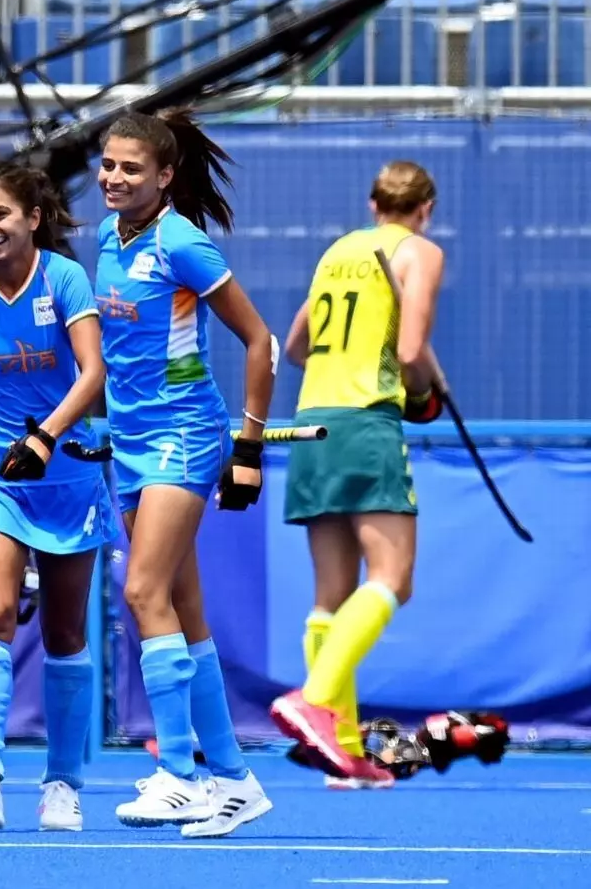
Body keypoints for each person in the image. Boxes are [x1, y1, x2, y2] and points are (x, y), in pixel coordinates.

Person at [94, 109, 277, 838]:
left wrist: (249, 449)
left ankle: (179, 773)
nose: (114, 178)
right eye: (108, 164)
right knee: (182, 608)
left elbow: (260, 340)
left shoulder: (182, 245)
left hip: (184, 434)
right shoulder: (106, 239)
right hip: (130, 440)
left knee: (142, 591)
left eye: (131, 168)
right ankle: (234, 780)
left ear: (165, 177)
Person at [0, 162, 117, 832]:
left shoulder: (63, 279)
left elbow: (93, 373)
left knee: (65, 634)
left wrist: (46, 437)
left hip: (66, 473)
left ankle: (63, 784)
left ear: (33, 218)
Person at [269, 161, 446, 788]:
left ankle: (342, 753)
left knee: (331, 596)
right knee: (394, 578)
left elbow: (295, 346)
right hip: (366, 420)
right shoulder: (420, 252)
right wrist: (428, 389)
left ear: (373, 204)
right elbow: (410, 352)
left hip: (312, 417)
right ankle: (314, 699)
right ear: (425, 209)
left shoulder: (339, 251)